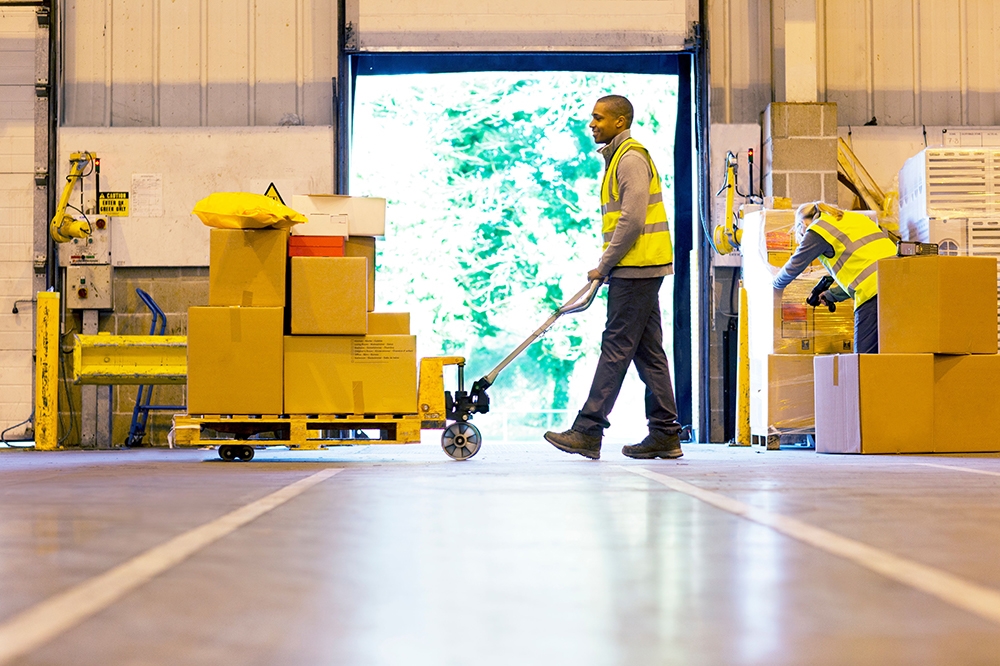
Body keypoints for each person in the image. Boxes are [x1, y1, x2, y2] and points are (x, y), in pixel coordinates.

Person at [543, 95, 683, 461]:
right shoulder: (618, 159)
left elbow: (632, 220)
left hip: (636, 268)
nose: (592, 124)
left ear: (620, 122)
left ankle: (588, 429)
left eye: (599, 118)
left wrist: (604, 265)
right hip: (639, 267)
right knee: (649, 354)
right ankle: (666, 433)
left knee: (616, 347)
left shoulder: (630, 159)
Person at [773, 201, 897, 353]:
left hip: (874, 294)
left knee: (864, 361)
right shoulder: (854, 219)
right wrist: (831, 295)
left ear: (802, 224)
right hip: (900, 280)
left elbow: (794, 266)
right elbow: (864, 272)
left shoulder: (819, 229)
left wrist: (774, 284)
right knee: (894, 352)